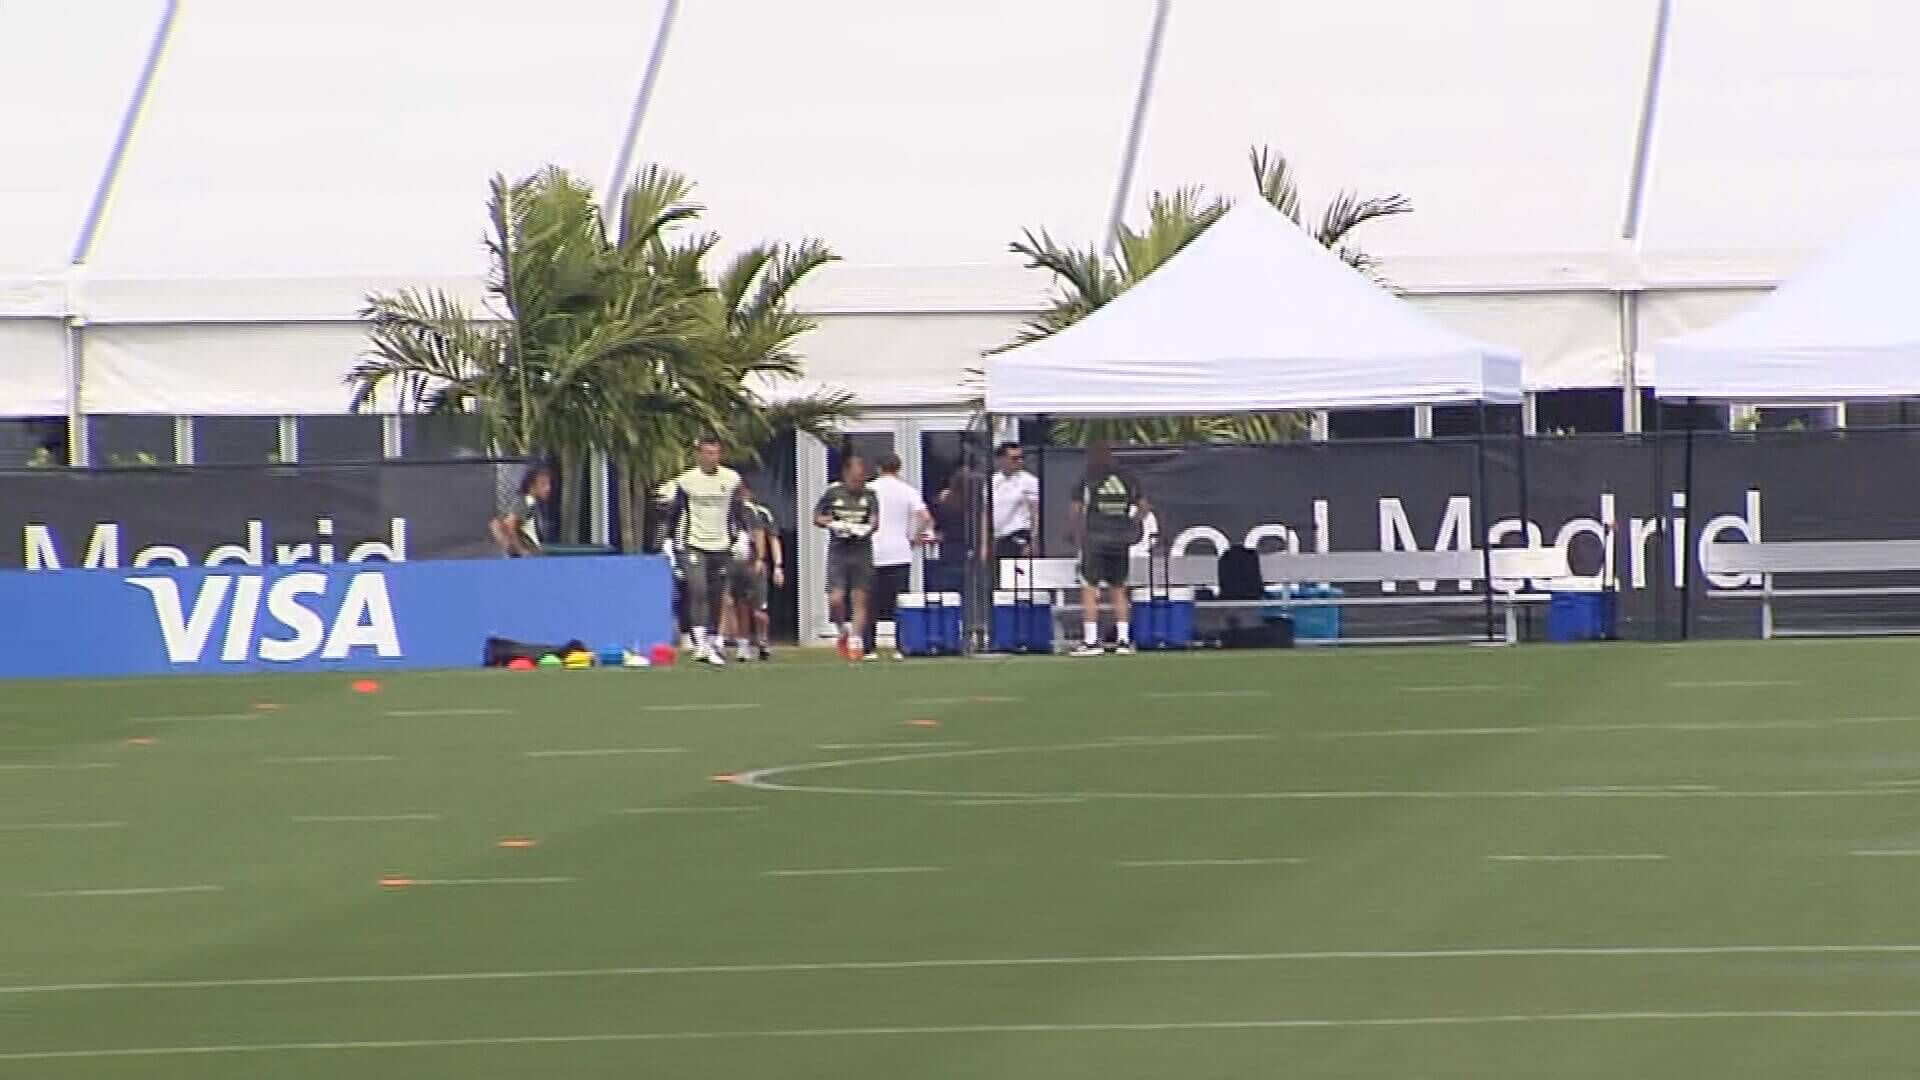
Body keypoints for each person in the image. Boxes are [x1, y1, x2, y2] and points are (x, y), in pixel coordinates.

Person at [667, 436, 746, 666]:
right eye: (708, 453)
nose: (713, 457)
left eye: (716, 453)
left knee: (716, 595)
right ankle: (699, 641)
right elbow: (676, 512)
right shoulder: (687, 480)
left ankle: (713, 641)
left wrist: (741, 535)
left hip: (721, 544)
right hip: (693, 543)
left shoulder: (731, 479)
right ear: (699, 454)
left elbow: (738, 510)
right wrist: (669, 540)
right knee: (697, 589)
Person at [1069, 441, 1143, 656]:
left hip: (1095, 539)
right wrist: (1132, 524)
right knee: (1119, 588)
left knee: (1089, 588)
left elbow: (1076, 509)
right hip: (1119, 540)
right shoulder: (1128, 479)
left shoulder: (1086, 480)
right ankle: (1123, 640)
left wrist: (1075, 534)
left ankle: (1091, 642)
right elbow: (1144, 505)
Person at [814, 454, 881, 661]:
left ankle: (855, 640)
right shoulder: (833, 493)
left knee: (860, 597)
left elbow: (875, 521)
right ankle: (842, 629)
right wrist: (834, 524)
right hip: (839, 550)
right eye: (854, 478)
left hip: (861, 550)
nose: (857, 483)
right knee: (835, 598)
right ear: (846, 474)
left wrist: (864, 528)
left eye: (861, 479)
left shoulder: (870, 495)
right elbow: (817, 517)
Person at [869, 452, 931, 660]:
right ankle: (901, 646)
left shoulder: (869, 490)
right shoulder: (907, 491)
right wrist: (914, 536)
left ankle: (869, 647)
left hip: (873, 550)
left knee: (871, 602)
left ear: (878, 468)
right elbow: (925, 516)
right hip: (899, 551)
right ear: (899, 468)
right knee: (900, 601)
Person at [726, 479, 783, 662]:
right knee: (740, 605)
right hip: (734, 563)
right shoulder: (728, 512)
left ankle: (763, 641)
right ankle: (742, 645)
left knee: (759, 609)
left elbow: (769, 538)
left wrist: (776, 566)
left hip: (754, 564)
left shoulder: (759, 512)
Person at [990, 441, 1039, 559]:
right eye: (1014, 458)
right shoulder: (993, 480)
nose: (1020, 461)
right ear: (1002, 459)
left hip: (1018, 536)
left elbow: (1035, 513)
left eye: (1021, 458)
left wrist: (1033, 542)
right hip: (997, 539)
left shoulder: (1029, 481)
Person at [490, 464, 552, 557]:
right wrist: (521, 550)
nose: (548, 488)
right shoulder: (526, 502)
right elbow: (509, 525)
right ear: (532, 486)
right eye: (543, 484)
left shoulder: (533, 503)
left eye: (549, 484)